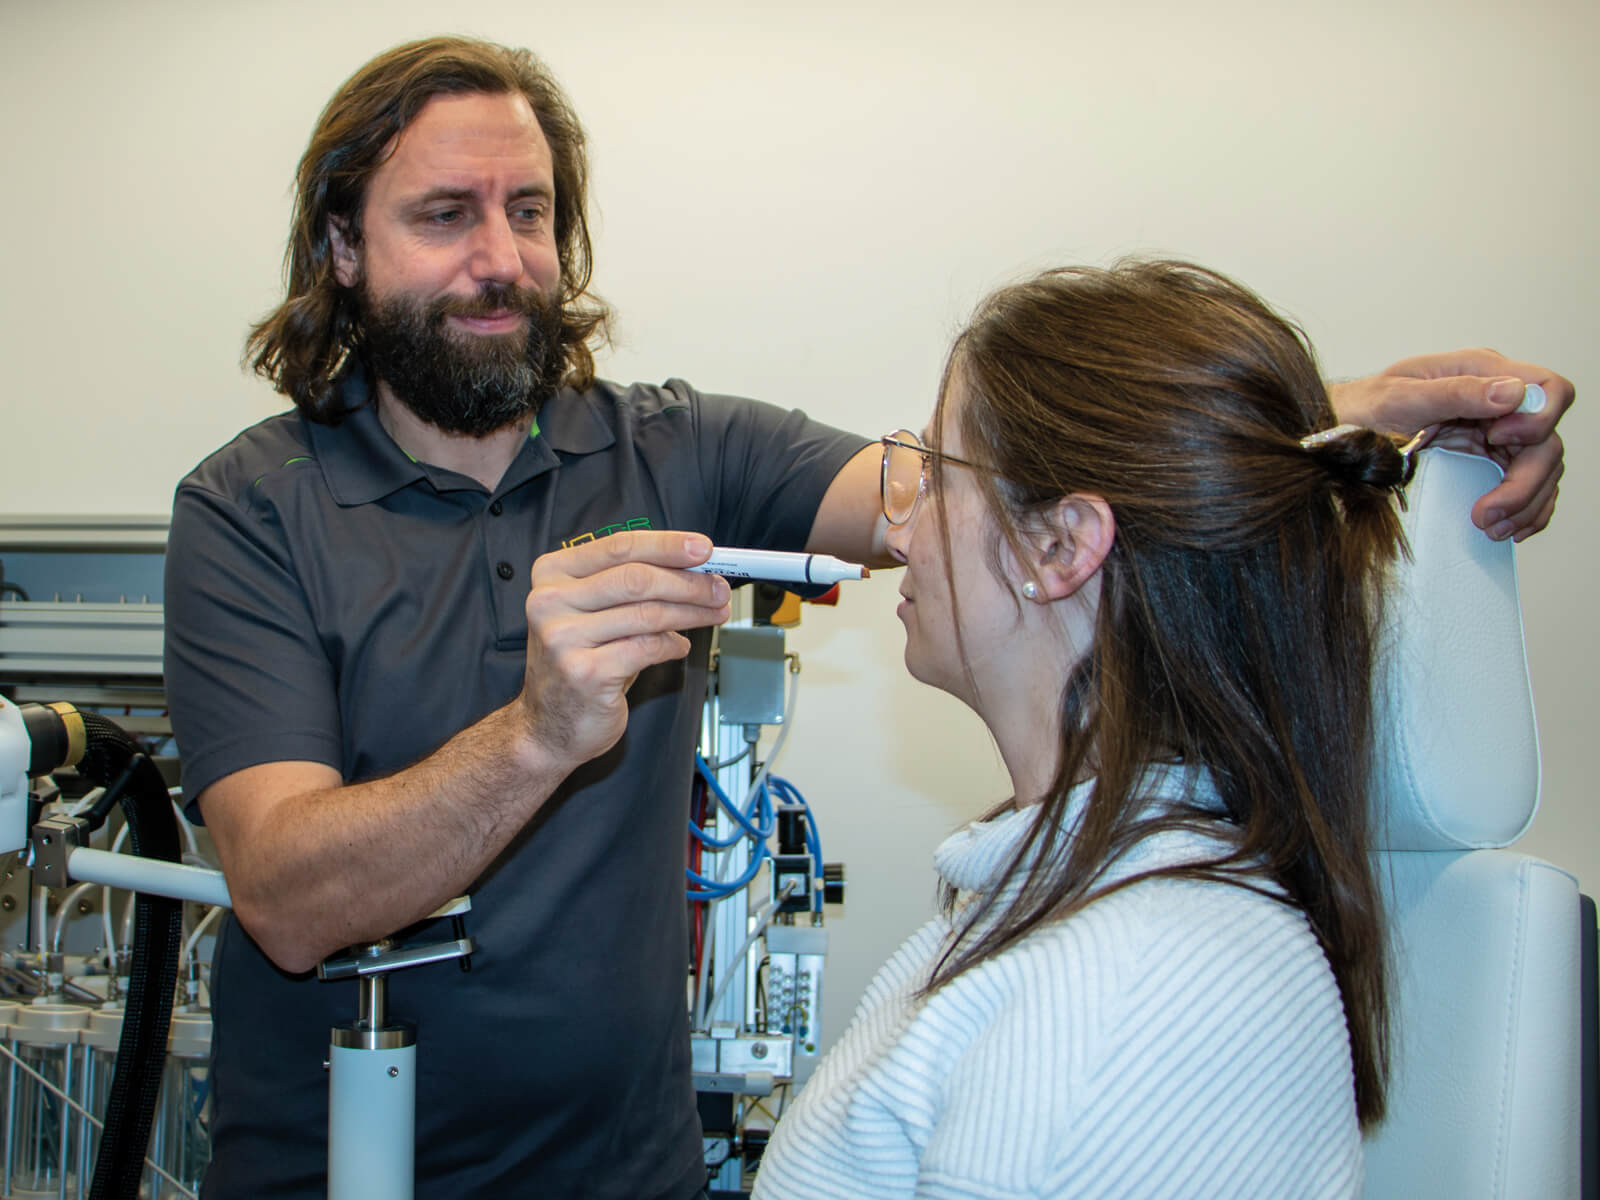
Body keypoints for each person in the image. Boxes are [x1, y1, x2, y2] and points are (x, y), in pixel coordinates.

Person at [160, 35, 1573, 1200]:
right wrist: (538, 737)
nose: (501, 258)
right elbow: (285, 898)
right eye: (445, 215)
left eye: (529, 212)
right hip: (339, 1170)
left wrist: (1341, 423)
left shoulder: (677, 450)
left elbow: (1009, 489)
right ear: (343, 246)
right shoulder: (253, 508)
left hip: (622, 1176)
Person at [751, 259, 1434, 1196]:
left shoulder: (1129, 998)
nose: (900, 532)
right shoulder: (1070, 911)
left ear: (1062, 546)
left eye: (937, 476)